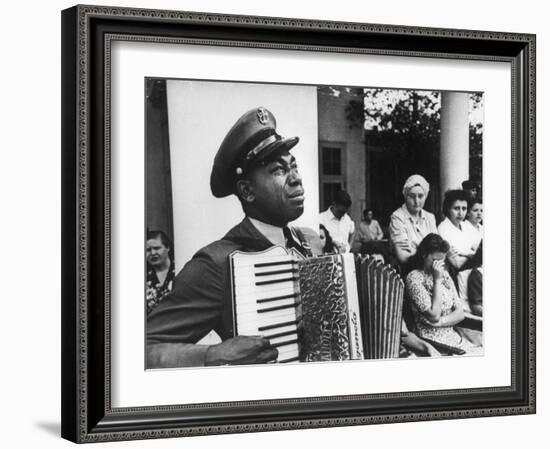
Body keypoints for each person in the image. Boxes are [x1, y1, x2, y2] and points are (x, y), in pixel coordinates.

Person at [147, 107, 320, 368]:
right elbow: (141, 349)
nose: (296, 178)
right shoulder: (216, 264)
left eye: (294, 166)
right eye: (278, 170)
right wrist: (212, 354)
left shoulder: (309, 243)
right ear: (247, 191)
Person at [406, 233, 482, 354]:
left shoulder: (444, 274)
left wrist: (441, 322)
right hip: (431, 341)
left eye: (442, 261)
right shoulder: (414, 278)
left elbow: (460, 313)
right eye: (435, 260)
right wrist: (437, 280)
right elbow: (434, 315)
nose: (438, 265)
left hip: (453, 336)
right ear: (424, 255)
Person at [389, 174, 437, 270]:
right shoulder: (398, 217)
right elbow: (402, 256)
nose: (417, 201)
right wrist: (429, 253)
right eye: (412, 196)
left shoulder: (430, 217)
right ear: (406, 196)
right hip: (407, 270)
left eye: (420, 196)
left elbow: (438, 250)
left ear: (426, 196)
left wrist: (415, 250)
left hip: (431, 270)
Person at [437, 190, 481, 271]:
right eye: (456, 208)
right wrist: (471, 253)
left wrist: (464, 253)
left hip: (472, 269)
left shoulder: (466, 226)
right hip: (455, 273)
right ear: (448, 209)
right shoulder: (443, 229)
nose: (460, 213)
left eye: (464, 209)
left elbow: (476, 247)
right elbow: (457, 263)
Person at [145, 230, 176, 315]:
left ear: (168, 247)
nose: (152, 253)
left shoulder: (179, 270)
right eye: (148, 250)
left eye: (157, 248)